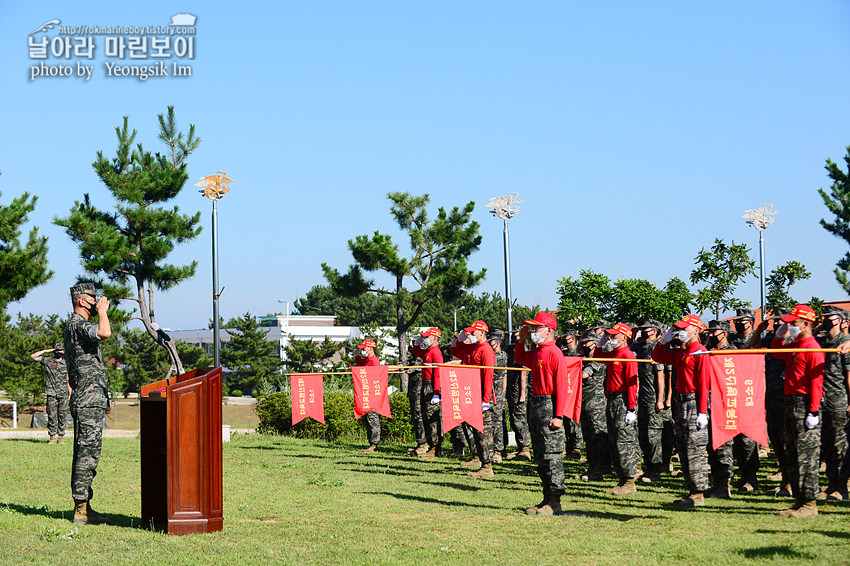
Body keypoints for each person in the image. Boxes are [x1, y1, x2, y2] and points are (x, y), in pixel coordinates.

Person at [64, 282, 112, 525]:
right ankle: (80, 509)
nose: (97, 302)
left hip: (89, 400)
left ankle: (85, 506)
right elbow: (105, 333)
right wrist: (102, 312)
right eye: (93, 299)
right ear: (82, 301)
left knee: (89, 453)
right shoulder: (78, 324)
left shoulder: (75, 326)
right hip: (87, 400)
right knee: (86, 455)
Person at [770, 304, 824, 518]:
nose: (789, 326)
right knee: (792, 453)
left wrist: (813, 411)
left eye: (793, 323)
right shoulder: (796, 344)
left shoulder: (812, 347)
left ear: (806, 324)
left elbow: (816, 381)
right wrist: (778, 335)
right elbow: (776, 352)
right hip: (791, 403)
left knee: (807, 456)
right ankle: (799, 500)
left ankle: (810, 504)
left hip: (804, 404)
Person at [514, 312, 570, 516]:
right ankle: (546, 497)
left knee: (552, 455)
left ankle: (555, 501)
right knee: (540, 455)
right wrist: (521, 341)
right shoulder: (538, 352)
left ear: (549, 330)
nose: (533, 332)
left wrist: (559, 415)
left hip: (549, 403)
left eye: (537, 328)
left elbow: (563, 386)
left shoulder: (554, 353)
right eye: (532, 328)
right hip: (537, 402)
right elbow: (520, 358)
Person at [652, 314, 711, 506]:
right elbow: (657, 357)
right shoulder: (681, 352)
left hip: (694, 402)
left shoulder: (699, 352)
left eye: (684, 329)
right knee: (684, 447)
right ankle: (692, 490)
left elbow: (703, 384)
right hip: (681, 402)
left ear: (696, 330)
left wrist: (703, 411)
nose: (680, 332)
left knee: (695, 448)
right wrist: (663, 341)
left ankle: (698, 493)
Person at [596, 323, 640, 495]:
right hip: (612, 400)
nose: (611, 339)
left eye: (614, 336)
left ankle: (629, 481)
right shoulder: (615, 353)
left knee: (624, 441)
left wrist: (631, 408)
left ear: (624, 337)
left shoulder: (627, 355)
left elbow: (631, 384)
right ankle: (622, 479)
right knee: (614, 441)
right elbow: (598, 357)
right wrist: (601, 341)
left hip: (622, 400)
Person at [814, 306, 849, 501]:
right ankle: (830, 485)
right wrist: (819, 327)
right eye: (824, 317)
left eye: (830, 317)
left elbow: (849, 375)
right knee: (826, 445)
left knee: (839, 446)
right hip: (822, 401)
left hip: (839, 400)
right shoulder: (821, 342)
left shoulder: (845, 343)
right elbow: (804, 337)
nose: (826, 320)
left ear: (840, 320)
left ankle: (841, 487)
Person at [630, 320, 672, 483]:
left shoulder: (657, 348)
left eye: (645, 329)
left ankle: (655, 471)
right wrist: (633, 333)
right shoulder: (641, 347)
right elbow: (627, 348)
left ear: (654, 331)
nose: (643, 331)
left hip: (653, 397)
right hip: (643, 397)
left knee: (653, 436)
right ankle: (648, 468)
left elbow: (661, 376)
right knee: (643, 435)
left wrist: (660, 399)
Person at [455, 320, 497, 478]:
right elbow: (458, 350)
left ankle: (487, 466)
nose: (470, 335)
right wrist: (459, 339)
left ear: (482, 332)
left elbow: (488, 377)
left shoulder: (486, 350)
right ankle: (480, 460)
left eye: (473, 333)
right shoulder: (474, 348)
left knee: (483, 431)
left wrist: (485, 400)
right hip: (472, 391)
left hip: (481, 392)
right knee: (476, 429)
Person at [728, 308, 761, 492]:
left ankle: (752, 478)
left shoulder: (754, 341)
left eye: (742, 321)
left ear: (750, 322)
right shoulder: (732, 341)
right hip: (733, 392)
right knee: (737, 439)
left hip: (749, 392)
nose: (738, 323)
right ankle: (742, 475)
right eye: (736, 321)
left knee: (748, 439)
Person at [703, 320, 736, 499]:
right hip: (709, 404)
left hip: (724, 404)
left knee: (724, 447)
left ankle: (724, 485)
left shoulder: (731, 352)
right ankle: (716, 484)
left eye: (714, 333)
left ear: (723, 333)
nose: (710, 336)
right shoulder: (709, 351)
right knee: (712, 447)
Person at [576, 330, 610, 481]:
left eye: (588, 342)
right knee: (588, 437)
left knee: (598, 437)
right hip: (584, 402)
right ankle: (592, 467)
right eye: (583, 342)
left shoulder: (597, 359)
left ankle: (600, 468)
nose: (584, 344)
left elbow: (584, 374)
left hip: (596, 403)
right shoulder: (583, 358)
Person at [30, 343, 70, 444]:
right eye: (57, 350)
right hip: (51, 393)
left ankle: (61, 437)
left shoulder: (67, 363)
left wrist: (70, 393)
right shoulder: (48, 361)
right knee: (52, 416)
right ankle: (52, 438)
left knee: (63, 416)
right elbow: (33, 356)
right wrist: (46, 351)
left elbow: (68, 380)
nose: (58, 352)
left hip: (63, 394)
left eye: (60, 351)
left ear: (63, 352)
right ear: (54, 351)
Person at [416, 327, 444, 458]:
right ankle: (431, 444)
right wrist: (417, 342)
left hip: (432, 385)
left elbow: (438, 374)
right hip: (426, 383)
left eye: (427, 337)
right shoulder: (429, 351)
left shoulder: (436, 352)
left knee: (432, 417)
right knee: (425, 416)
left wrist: (436, 392)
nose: (425, 339)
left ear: (434, 338)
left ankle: (435, 446)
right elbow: (417, 351)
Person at [505, 328, 532, 461]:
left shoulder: (524, 350)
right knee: (514, 419)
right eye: (513, 336)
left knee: (520, 420)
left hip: (519, 389)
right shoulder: (511, 349)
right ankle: (520, 448)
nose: (515, 339)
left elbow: (524, 373)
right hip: (511, 389)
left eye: (517, 336)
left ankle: (525, 449)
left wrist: (522, 394)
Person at [354, 339, 382, 453]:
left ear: (370, 348)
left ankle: (374, 444)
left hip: (372, 395)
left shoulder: (374, 362)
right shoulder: (367, 361)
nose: (362, 351)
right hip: (366, 393)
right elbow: (359, 362)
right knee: (368, 419)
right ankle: (371, 443)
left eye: (363, 349)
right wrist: (356, 355)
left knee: (373, 419)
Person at [489, 330, 509, 463]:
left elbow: (494, 369)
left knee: (497, 420)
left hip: (497, 390)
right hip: (490, 390)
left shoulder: (500, 355)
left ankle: (499, 450)